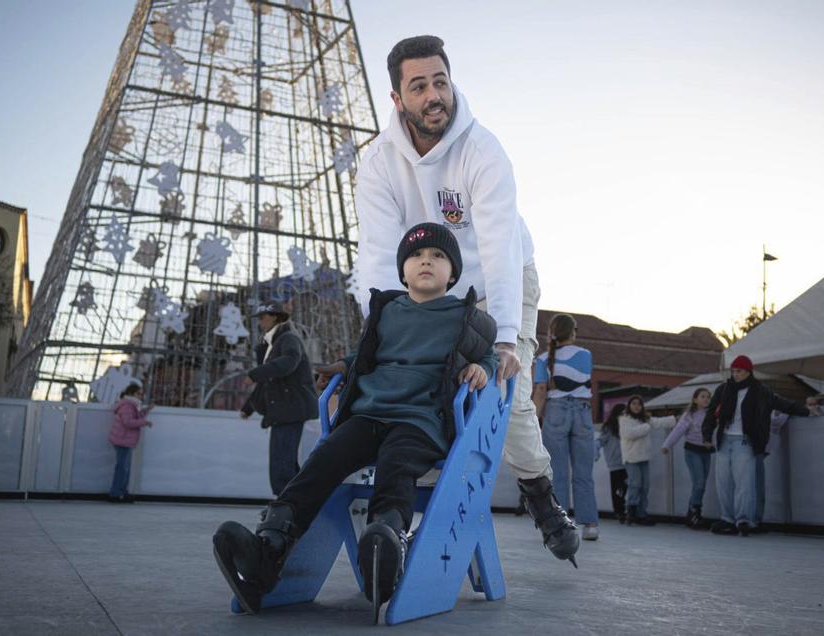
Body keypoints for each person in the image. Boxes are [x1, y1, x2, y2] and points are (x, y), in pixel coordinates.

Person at [352, 35, 579, 561]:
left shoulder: (483, 150)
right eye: (419, 86)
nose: (434, 96)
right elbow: (377, 256)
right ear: (397, 99)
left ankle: (539, 492)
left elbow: (498, 248)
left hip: (504, 276)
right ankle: (397, 516)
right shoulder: (380, 163)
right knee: (419, 384)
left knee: (507, 390)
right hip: (435, 283)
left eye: (441, 81)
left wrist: (500, 340)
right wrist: (378, 335)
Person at [212, 223, 500, 616]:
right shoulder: (386, 311)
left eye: (438, 256)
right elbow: (366, 357)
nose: (426, 261)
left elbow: (489, 355)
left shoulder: (466, 317)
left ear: (453, 273)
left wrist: (483, 368)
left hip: (421, 420)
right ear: (403, 271)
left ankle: (385, 542)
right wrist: (342, 366)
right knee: (323, 459)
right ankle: (268, 549)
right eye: (416, 256)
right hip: (370, 413)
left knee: (397, 468)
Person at [703, 356, 819, 536]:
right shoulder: (724, 389)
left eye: (739, 371)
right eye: (733, 371)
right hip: (724, 440)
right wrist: (706, 436)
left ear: (748, 371)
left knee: (745, 483)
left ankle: (743, 520)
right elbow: (711, 413)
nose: (735, 375)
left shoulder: (760, 391)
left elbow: (782, 403)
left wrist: (805, 411)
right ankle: (727, 519)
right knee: (723, 482)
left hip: (745, 441)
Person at [240, 299, 318, 496]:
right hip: (284, 409)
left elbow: (288, 362)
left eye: (263, 317)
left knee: (282, 461)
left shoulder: (288, 339)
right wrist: (248, 406)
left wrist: (255, 373)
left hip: (290, 408)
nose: (260, 322)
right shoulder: (270, 344)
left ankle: (288, 503)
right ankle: (296, 501)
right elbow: (270, 382)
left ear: (275, 317)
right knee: (283, 461)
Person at [532, 314, 599, 541]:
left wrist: (534, 420)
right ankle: (589, 525)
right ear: (573, 332)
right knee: (583, 472)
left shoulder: (542, 359)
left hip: (556, 412)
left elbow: (541, 392)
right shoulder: (586, 355)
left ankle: (561, 525)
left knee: (557, 472)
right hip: (582, 412)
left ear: (552, 332)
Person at [618, 395, 676, 526]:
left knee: (645, 486)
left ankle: (641, 514)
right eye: (634, 403)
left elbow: (659, 422)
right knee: (635, 484)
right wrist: (646, 427)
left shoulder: (645, 419)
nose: (637, 406)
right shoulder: (624, 419)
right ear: (629, 406)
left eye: (639, 404)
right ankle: (630, 512)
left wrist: (675, 419)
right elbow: (629, 434)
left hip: (644, 457)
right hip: (631, 458)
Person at [661, 388, 713, 528]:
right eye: (703, 396)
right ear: (695, 399)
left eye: (708, 397)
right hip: (692, 451)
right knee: (699, 482)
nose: (706, 399)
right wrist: (667, 445)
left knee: (701, 485)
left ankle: (692, 514)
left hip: (706, 452)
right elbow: (678, 430)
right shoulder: (689, 415)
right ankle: (694, 513)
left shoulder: (712, 414)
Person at [107, 383, 152, 503]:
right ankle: (116, 493)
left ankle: (121, 492)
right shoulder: (127, 406)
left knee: (124, 468)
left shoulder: (132, 405)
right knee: (122, 468)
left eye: (142, 394)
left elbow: (134, 418)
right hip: (122, 440)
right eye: (139, 393)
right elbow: (128, 422)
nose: (141, 396)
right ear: (132, 393)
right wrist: (145, 422)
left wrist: (146, 411)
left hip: (124, 440)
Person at [752, 411, 790, 533]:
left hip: (757, 447)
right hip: (755, 447)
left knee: (755, 485)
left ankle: (753, 519)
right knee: (756, 485)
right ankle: (754, 520)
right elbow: (776, 421)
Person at [597, 404, 628, 523]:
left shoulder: (627, 425)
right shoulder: (609, 427)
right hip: (615, 463)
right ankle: (619, 511)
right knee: (617, 489)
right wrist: (596, 451)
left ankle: (625, 510)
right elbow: (601, 441)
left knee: (626, 487)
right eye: (622, 414)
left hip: (628, 461)